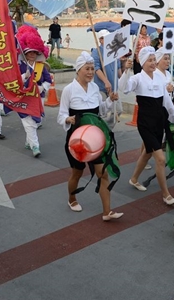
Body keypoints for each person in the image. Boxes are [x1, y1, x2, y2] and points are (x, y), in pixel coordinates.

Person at [58, 52, 123, 221]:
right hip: (77, 141)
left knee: (103, 174)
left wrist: (110, 100)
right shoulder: (69, 90)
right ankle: (72, 199)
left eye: (92, 69)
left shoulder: (95, 88)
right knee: (77, 173)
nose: (90, 72)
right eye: (87, 68)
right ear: (78, 70)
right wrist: (68, 119)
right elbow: (61, 115)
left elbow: (100, 111)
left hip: (95, 139)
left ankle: (107, 211)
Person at [120, 46, 174, 205]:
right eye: (150, 60)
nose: (153, 63)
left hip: (159, 121)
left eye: (154, 59)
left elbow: (166, 101)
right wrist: (126, 71)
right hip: (145, 123)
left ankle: (134, 179)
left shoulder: (160, 78)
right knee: (160, 159)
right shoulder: (137, 78)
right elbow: (124, 89)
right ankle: (166, 194)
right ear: (142, 62)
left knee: (147, 152)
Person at [17, 26, 52, 157]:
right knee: (28, 121)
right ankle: (35, 146)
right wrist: (23, 77)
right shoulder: (19, 67)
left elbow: (48, 79)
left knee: (35, 121)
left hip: (39, 97)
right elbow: (13, 82)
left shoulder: (40, 66)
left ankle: (28, 141)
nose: (31, 55)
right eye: (29, 52)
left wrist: (43, 87)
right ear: (24, 54)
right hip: (24, 98)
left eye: (34, 52)